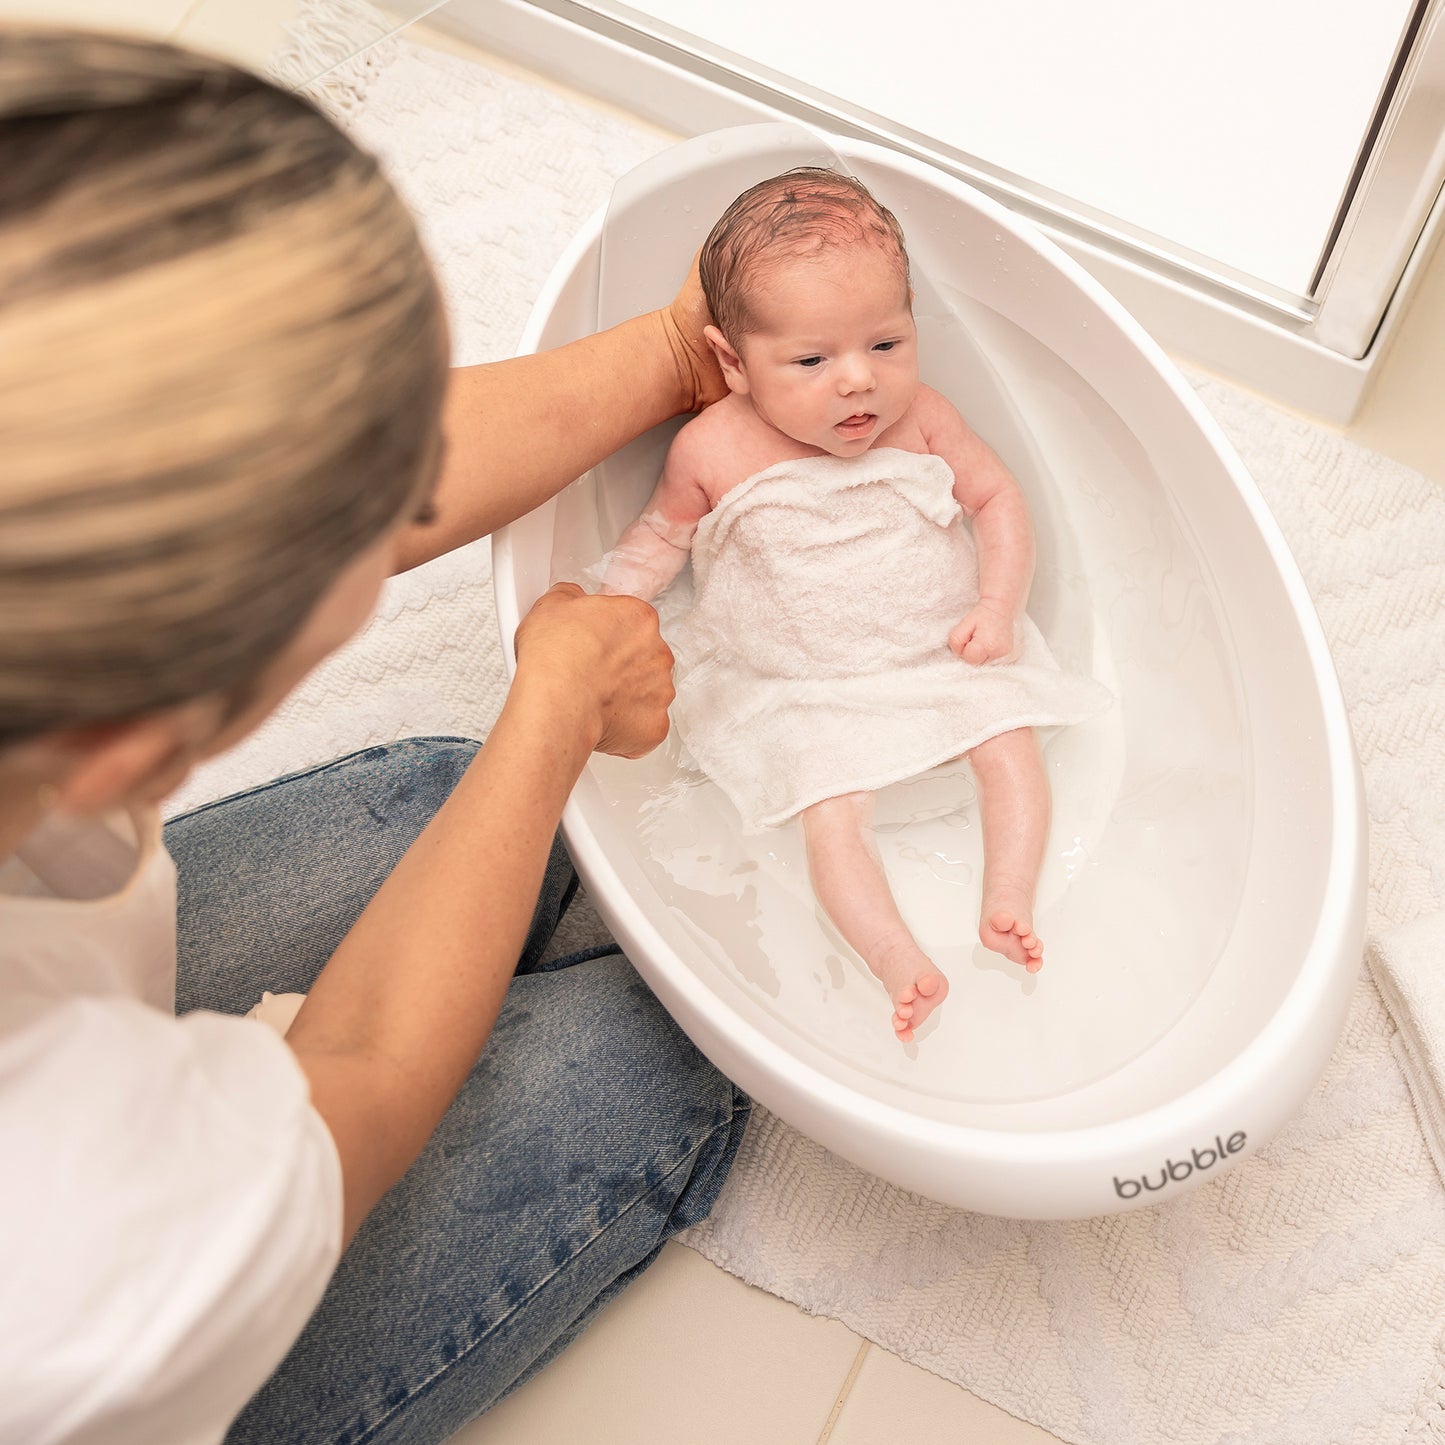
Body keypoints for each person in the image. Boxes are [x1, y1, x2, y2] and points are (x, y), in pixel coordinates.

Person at [0, 28, 748, 1445]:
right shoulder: (52, 1239)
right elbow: (359, 1076)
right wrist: (552, 715)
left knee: (432, 805)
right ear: (127, 742)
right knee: (648, 1054)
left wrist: (671, 355)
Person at [602, 168, 1110, 1043]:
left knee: (1008, 737)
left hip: (938, 655)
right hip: (798, 686)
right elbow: (660, 539)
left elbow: (998, 500)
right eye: (810, 361)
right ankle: (893, 955)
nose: (858, 384)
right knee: (828, 809)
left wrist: (998, 605)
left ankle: (1009, 897)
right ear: (733, 362)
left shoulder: (924, 419)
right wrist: (608, 607)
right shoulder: (712, 448)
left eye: (885, 345)